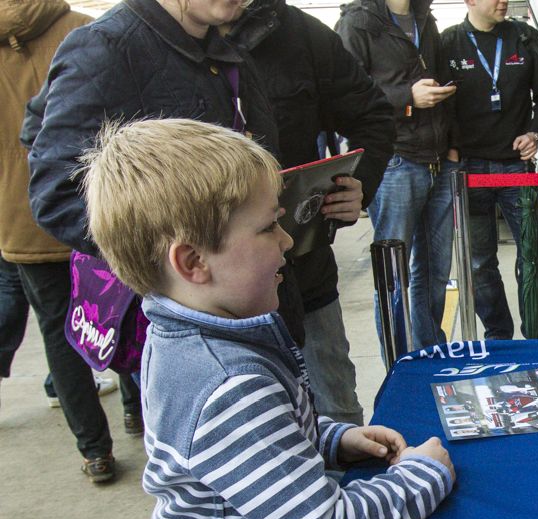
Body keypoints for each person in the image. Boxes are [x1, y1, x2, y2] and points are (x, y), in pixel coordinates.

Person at [81, 118, 456, 519]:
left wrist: (335, 439)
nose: (286, 241)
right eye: (267, 228)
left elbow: (255, 450)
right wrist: (422, 476)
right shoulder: (226, 380)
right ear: (193, 261)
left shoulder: (189, 330)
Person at [26, 0, 280, 481]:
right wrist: (175, 265)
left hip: (236, 297)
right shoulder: (104, 48)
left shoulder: (224, 43)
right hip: (185, 314)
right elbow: (56, 191)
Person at [225, 0, 393, 424]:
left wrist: (355, 185)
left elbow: (373, 115)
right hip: (207, 305)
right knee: (243, 431)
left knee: (337, 415)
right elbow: (69, 188)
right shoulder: (132, 46)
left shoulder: (301, 34)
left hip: (305, 276)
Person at [1, 0, 121, 477]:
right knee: (124, 314)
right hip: (98, 208)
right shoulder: (89, 32)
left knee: (58, 333)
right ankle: (136, 413)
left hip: (21, 215)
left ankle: (95, 452)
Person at [337, 0, 460, 353]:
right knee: (393, 277)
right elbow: (346, 96)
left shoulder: (425, 17)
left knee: (435, 271)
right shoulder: (357, 22)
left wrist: (452, 147)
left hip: (438, 160)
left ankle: (430, 352)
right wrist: (407, 97)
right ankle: (399, 363)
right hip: (394, 160)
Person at [441, 0, 538, 341]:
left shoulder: (525, 38)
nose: (503, 1)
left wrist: (535, 132)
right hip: (468, 171)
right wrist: (452, 151)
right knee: (479, 262)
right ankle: (498, 336)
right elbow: (441, 107)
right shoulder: (448, 43)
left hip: (516, 166)